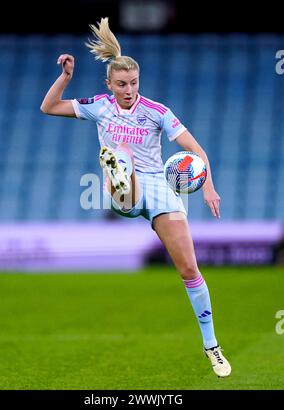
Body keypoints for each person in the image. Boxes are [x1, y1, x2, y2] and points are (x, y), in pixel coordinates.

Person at [40, 18, 231, 378]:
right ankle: (116, 167)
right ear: (109, 84)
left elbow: (194, 148)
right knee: (121, 155)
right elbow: (49, 107)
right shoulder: (99, 105)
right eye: (122, 84)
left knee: (189, 269)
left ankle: (212, 346)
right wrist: (65, 77)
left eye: (133, 83)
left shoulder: (157, 112)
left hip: (159, 189)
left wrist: (207, 185)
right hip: (123, 189)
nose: (129, 90)